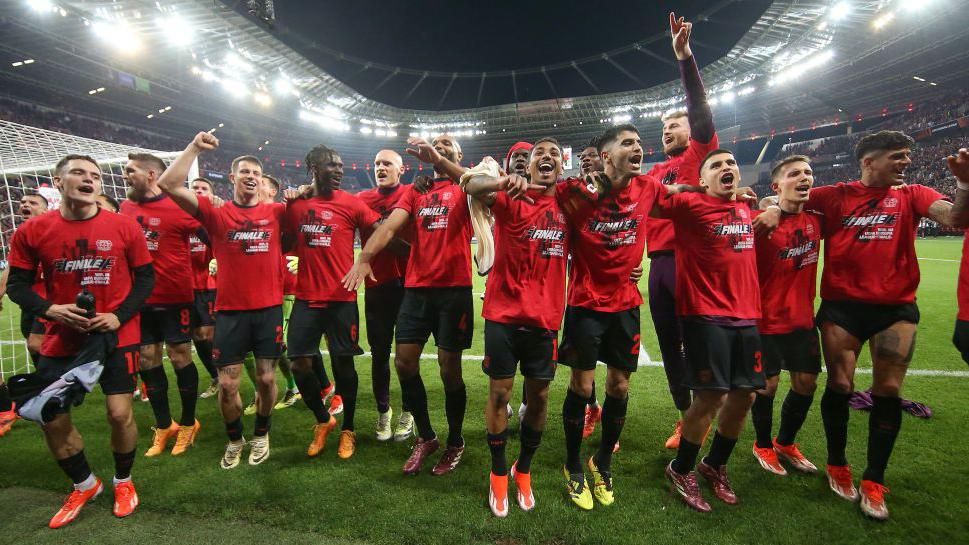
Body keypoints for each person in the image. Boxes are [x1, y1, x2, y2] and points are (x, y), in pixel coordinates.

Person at [794, 133, 969, 520]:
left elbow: (957, 218)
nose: (905, 163)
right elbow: (789, 201)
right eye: (897, 157)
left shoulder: (913, 194)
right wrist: (773, 205)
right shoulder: (833, 195)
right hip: (843, 308)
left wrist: (964, 184)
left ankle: (874, 479)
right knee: (840, 385)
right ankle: (837, 464)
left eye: (907, 156)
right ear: (869, 161)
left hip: (895, 309)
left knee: (888, 389)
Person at [7, 154, 155, 527]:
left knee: (120, 414)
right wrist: (51, 310)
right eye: (78, 173)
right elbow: (17, 286)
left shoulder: (124, 228)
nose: (89, 179)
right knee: (51, 418)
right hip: (63, 337)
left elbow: (146, 280)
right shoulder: (32, 231)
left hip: (117, 334)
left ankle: (124, 481)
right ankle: (85, 483)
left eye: (95, 175)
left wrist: (119, 315)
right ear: (58, 183)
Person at [343, 134, 473, 476]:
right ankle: (427, 437)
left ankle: (456, 441)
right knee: (403, 363)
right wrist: (365, 256)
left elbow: (483, 188)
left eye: (448, 144)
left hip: (453, 289)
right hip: (417, 289)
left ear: (459, 154)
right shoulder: (417, 190)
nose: (441, 145)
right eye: (437, 143)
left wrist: (442, 162)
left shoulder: (468, 182)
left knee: (449, 369)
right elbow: (389, 227)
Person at [556, 124, 670, 510]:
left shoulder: (649, 187)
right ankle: (572, 464)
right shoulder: (577, 193)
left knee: (620, 387)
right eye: (627, 144)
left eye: (639, 143)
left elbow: (680, 199)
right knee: (581, 386)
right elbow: (549, 208)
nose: (637, 148)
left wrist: (726, 194)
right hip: (586, 303)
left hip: (625, 303)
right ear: (606, 156)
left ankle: (601, 461)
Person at [157, 132, 285, 469]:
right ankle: (234, 439)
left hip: (269, 309)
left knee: (267, 379)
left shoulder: (276, 212)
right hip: (229, 313)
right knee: (228, 385)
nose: (250, 177)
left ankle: (261, 432)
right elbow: (169, 184)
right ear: (232, 178)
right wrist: (194, 147)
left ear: (262, 181)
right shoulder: (217, 215)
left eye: (255, 173)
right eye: (244, 172)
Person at [464, 138, 567, 517]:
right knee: (500, 396)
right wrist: (501, 182)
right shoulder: (511, 197)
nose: (546, 158)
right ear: (528, 165)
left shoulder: (569, 204)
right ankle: (497, 474)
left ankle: (523, 469)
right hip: (503, 315)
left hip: (545, 319)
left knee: (538, 398)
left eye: (554, 154)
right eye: (539, 154)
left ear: (561, 165)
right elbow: (471, 185)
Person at [661, 149, 764, 513]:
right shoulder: (690, 205)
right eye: (717, 165)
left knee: (746, 396)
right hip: (705, 314)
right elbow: (653, 199)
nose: (728, 168)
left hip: (748, 315)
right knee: (711, 397)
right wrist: (690, 187)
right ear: (703, 179)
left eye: (732, 163)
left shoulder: (742, 208)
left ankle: (714, 463)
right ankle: (682, 467)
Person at [644, 13, 722, 450]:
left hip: (693, 263)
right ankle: (684, 415)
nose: (668, 129)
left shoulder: (700, 154)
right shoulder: (654, 171)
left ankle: (701, 415)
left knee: (697, 343)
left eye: (675, 123)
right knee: (670, 346)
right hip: (659, 268)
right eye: (664, 127)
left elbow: (701, 112)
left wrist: (685, 59)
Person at [283, 144, 381, 459]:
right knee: (298, 361)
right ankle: (323, 420)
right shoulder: (295, 206)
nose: (339, 170)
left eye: (340, 165)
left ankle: (349, 428)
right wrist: (290, 198)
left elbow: (380, 230)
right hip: (307, 298)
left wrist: (364, 260)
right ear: (313, 166)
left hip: (342, 297)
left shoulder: (351, 204)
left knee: (343, 365)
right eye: (331, 165)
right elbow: (284, 241)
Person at [120, 153, 202, 457]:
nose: (126, 175)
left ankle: (188, 422)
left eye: (131, 171)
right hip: (138, 299)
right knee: (146, 360)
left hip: (174, 295)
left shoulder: (180, 207)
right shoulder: (125, 208)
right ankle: (163, 424)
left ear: (152, 174)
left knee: (180, 356)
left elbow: (211, 235)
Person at [749, 156, 823, 476]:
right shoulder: (761, 222)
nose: (804, 177)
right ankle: (762, 443)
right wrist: (771, 208)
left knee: (806, 384)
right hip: (765, 320)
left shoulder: (818, 220)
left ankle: (786, 442)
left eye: (808, 173)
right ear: (778, 185)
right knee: (767, 387)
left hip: (803, 321)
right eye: (795, 174)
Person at [356, 149, 415, 441]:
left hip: (408, 286)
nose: (381, 167)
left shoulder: (413, 193)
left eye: (387, 163)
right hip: (377, 286)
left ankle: (408, 412)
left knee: (405, 357)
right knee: (379, 354)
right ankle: (384, 413)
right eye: (377, 163)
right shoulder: (360, 200)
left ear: (401, 169)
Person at [0, 192, 50, 437]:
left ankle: (51, 391)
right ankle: (47, 388)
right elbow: (13, 267)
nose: (25, 205)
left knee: (37, 343)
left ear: (46, 208)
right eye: (23, 203)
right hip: (28, 302)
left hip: (49, 300)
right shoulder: (21, 235)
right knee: (33, 347)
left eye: (32, 203)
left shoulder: (52, 229)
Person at [187, 178, 220, 399]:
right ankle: (216, 377)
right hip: (185, 288)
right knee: (197, 337)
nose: (199, 191)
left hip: (209, 285)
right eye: (195, 188)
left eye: (203, 189)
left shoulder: (214, 218)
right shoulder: (180, 218)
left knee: (209, 335)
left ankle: (224, 376)